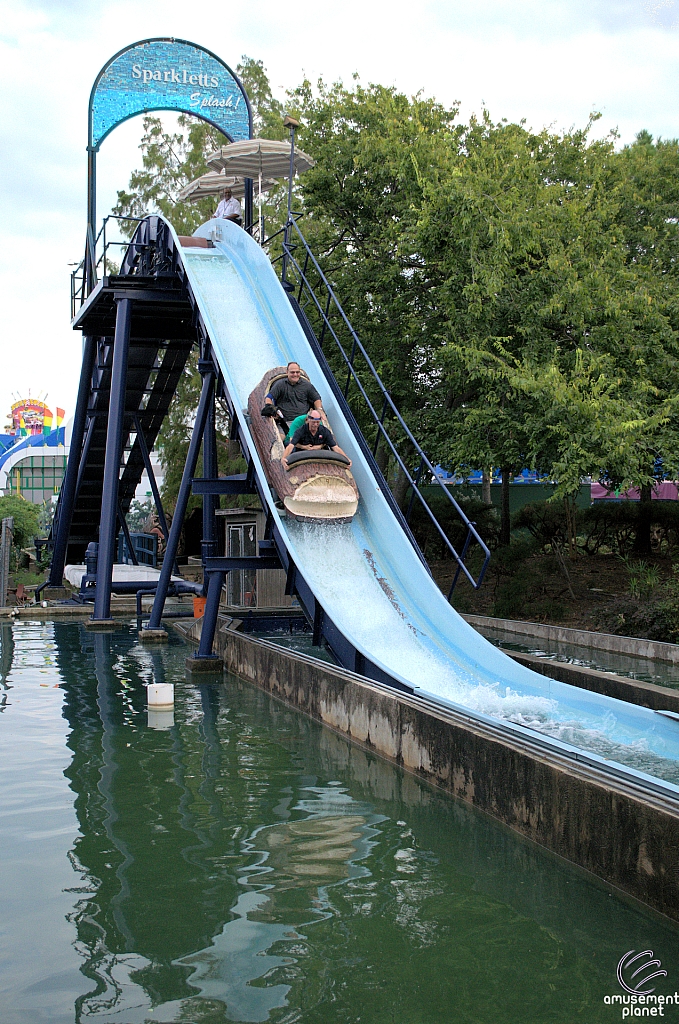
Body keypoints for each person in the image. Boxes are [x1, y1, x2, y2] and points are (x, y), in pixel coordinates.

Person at [261, 362, 324, 429]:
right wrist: (271, 409)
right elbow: (269, 398)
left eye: (297, 372)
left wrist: (319, 409)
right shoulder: (280, 385)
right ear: (287, 372)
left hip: (304, 420)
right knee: (283, 436)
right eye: (292, 372)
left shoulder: (307, 385)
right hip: (286, 421)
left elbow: (316, 398)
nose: (295, 374)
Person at [282, 410, 351, 470]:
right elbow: (291, 445)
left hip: (318, 456)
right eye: (313, 422)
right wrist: (284, 458)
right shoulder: (300, 431)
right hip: (302, 455)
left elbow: (335, 447)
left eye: (317, 422)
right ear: (308, 420)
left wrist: (346, 459)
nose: (315, 425)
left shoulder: (324, 431)